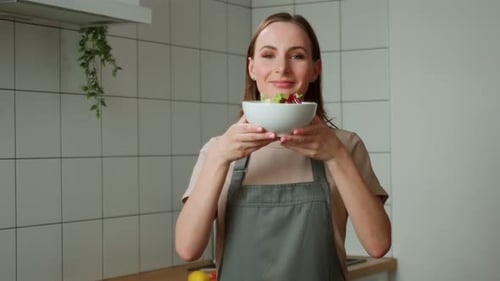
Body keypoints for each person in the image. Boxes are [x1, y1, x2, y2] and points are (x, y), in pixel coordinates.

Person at [176, 12, 391, 281]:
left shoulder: (346, 145)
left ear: (315, 70)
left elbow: (378, 244)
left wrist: (336, 156)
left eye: (297, 56)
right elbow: (187, 248)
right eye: (269, 55)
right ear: (251, 68)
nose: (282, 68)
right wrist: (219, 158)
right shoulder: (219, 150)